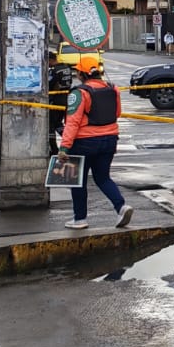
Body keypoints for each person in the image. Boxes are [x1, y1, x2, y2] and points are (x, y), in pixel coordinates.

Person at [57, 56, 134, 231]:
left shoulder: (79, 93)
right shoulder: (113, 88)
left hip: (84, 142)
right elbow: (118, 113)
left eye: (77, 71)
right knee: (103, 177)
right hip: (109, 139)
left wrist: (64, 147)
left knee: (78, 181)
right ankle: (121, 207)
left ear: (82, 74)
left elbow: (72, 122)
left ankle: (80, 219)